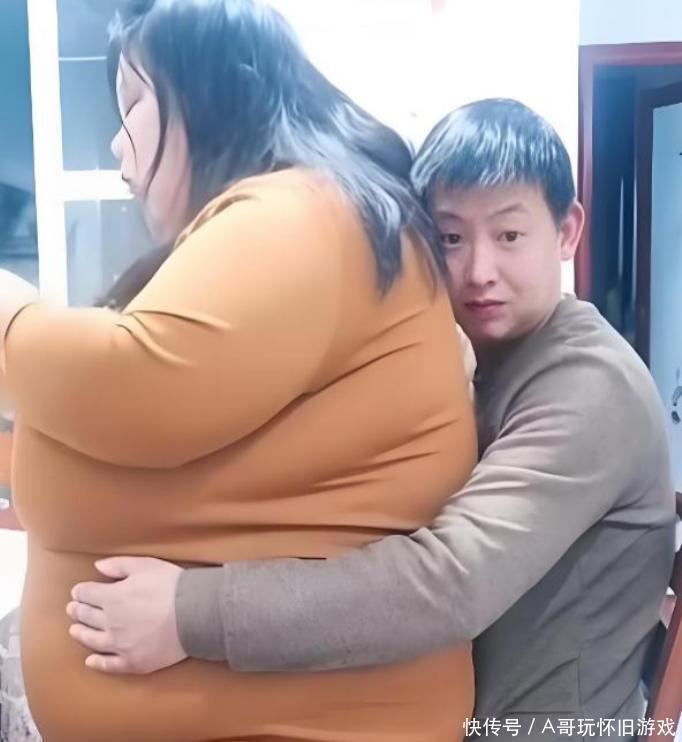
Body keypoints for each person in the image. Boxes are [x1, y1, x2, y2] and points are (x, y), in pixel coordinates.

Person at [68, 99, 675, 740]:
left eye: (509, 236)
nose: (479, 272)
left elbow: (451, 582)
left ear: (567, 232)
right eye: (450, 238)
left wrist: (188, 614)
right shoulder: (474, 354)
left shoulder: (591, 386)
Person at [0, 0, 478, 740]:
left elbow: (131, 387)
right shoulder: (307, 215)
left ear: (208, 93)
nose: (118, 143)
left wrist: (7, 316)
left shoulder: (305, 212)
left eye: (133, 105)